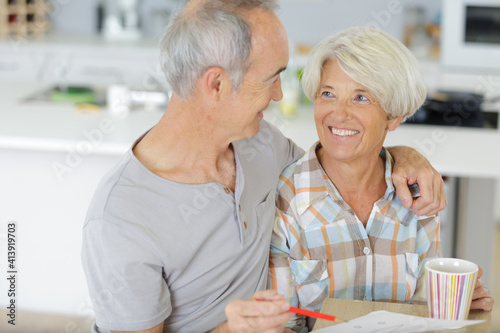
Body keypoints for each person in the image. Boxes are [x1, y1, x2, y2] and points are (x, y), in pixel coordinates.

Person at [81, 2, 447, 333]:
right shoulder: (120, 219)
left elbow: (343, 157)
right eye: (272, 78)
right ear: (217, 84)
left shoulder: (259, 144)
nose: (279, 95)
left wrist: (404, 155)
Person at [268, 27, 494, 332]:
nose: (339, 113)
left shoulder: (416, 195)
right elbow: (282, 322)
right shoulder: (285, 197)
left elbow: (426, 313)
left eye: (360, 97)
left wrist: (457, 304)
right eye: (328, 93)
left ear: (394, 116)